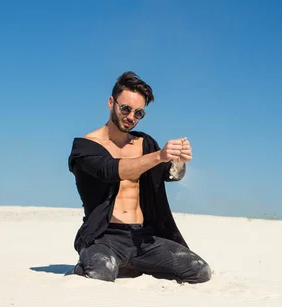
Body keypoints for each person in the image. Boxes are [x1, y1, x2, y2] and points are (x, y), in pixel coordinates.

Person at [66, 71, 211, 284]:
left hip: (143, 238)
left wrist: (179, 161)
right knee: (99, 274)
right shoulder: (85, 147)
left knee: (200, 271)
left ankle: (131, 265)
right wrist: (160, 155)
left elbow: (171, 175)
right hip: (105, 237)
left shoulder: (145, 143)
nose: (131, 117)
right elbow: (113, 170)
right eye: (125, 109)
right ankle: (94, 263)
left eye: (138, 113)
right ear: (110, 102)